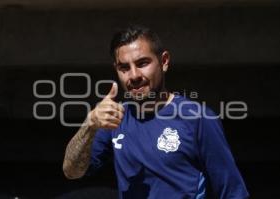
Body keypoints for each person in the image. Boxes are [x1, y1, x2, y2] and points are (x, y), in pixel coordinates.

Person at [62, 25, 249, 199]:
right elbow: (71, 171)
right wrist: (90, 123)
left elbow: (233, 192)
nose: (134, 75)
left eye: (142, 63)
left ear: (164, 61)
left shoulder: (198, 118)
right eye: (124, 68)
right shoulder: (114, 118)